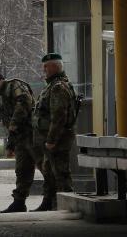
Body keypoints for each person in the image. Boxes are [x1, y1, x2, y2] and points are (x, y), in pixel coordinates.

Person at [0, 71, 38, 213]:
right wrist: (10, 145)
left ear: (0, 80)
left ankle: (52, 200)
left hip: (33, 134)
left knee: (46, 167)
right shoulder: (5, 97)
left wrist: (14, 124)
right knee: (22, 170)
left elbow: (24, 102)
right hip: (21, 138)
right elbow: (10, 124)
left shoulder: (15, 86)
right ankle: (19, 203)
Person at [31, 53, 76, 211]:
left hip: (58, 140)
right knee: (49, 172)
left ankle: (67, 205)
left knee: (60, 173)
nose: (44, 70)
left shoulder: (58, 87)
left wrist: (51, 140)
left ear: (56, 66)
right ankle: (48, 202)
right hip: (49, 139)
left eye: (47, 66)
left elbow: (59, 116)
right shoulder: (52, 85)